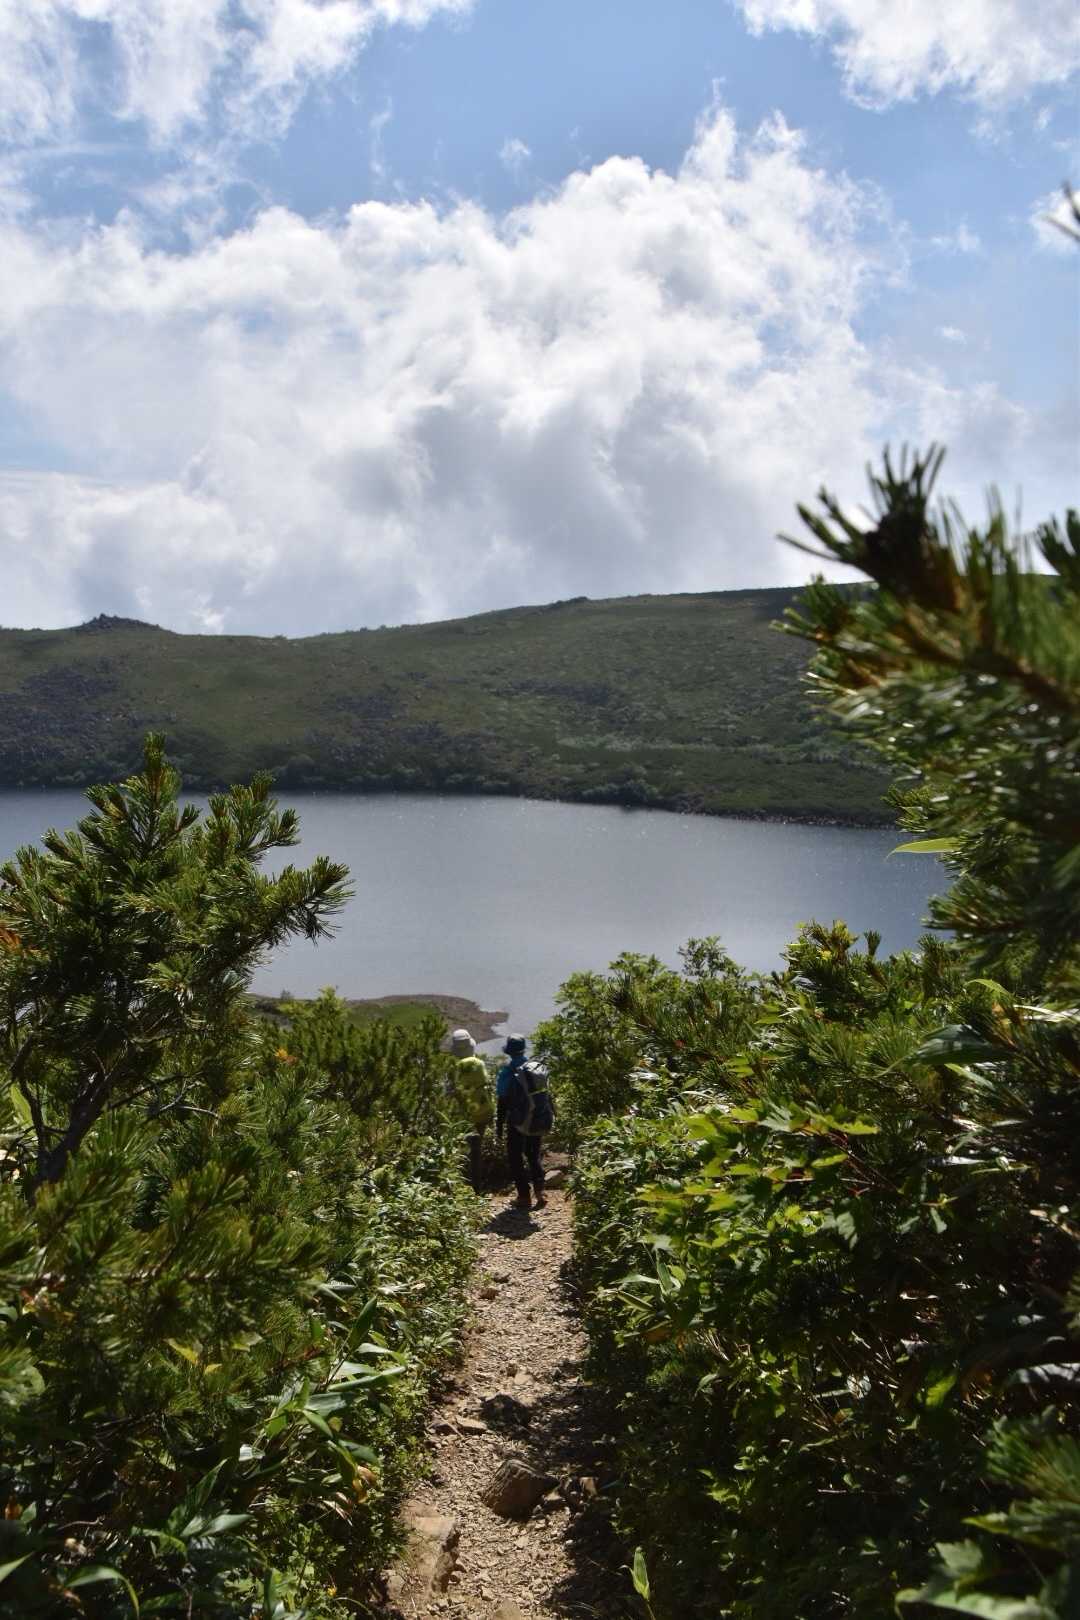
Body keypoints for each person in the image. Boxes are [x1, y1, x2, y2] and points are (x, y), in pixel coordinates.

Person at [496, 1033, 546, 1212]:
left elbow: (502, 1100)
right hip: (536, 1117)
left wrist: (499, 1125)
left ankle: (524, 1196)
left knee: (515, 1156)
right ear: (524, 1050)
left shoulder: (508, 1072)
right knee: (533, 1154)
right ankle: (540, 1192)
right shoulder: (535, 1068)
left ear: (509, 1052)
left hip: (516, 1121)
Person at [446, 1028, 493, 1191]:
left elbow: (448, 1092)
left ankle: (462, 1185)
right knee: (476, 1149)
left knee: (461, 1150)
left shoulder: (453, 1068)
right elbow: (486, 1081)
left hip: (462, 1114)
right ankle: (477, 1186)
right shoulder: (479, 1064)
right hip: (482, 1111)